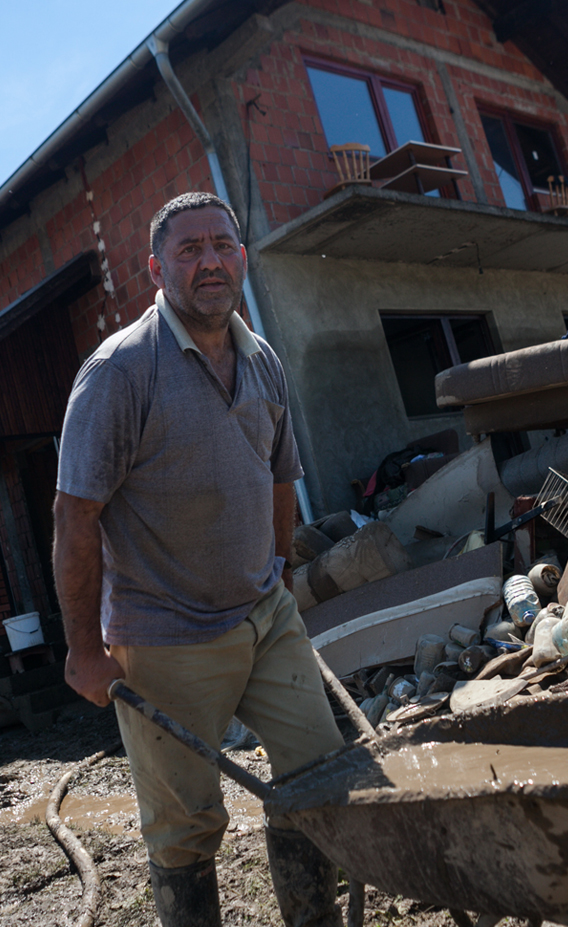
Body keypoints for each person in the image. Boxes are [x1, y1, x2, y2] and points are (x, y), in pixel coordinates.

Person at [52, 191, 345, 927]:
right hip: (165, 632)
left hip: (265, 614)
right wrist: (85, 648)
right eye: (190, 249)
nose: (210, 261)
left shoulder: (263, 359)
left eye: (223, 245)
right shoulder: (119, 372)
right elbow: (73, 516)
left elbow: (282, 475)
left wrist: (280, 569)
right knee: (185, 834)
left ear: (242, 258)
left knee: (319, 776)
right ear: (156, 267)